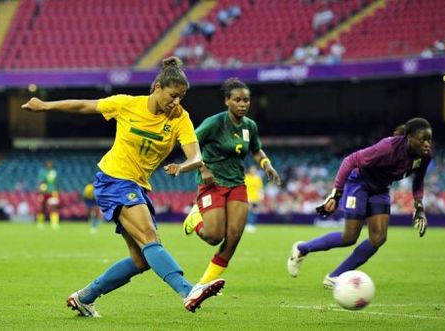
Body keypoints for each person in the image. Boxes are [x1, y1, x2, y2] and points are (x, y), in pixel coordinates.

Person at [21, 56, 225, 316]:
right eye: (173, 96)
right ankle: (188, 290)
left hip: (138, 185)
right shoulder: (127, 104)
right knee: (150, 238)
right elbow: (85, 105)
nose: (176, 103)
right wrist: (45, 106)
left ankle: (85, 297)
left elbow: (195, 155)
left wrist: (185, 166)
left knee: (142, 260)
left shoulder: (180, 118)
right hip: (113, 179)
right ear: (158, 88)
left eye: (181, 97)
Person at [287, 118, 432, 288]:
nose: (427, 144)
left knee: (378, 238)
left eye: (429, 139)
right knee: (349, 237)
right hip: (359, 183)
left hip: (381, 189)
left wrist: (419, 206)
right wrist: (335, 194)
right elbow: (350, 160)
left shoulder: (424, 156)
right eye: (423, 140)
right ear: (409, 138)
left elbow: (418, 181)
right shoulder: (387, 148)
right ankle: (302, 248)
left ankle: (334, 277)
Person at [182, 78, 281, 286]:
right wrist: (203, 168)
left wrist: (266, 165)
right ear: (227, 101)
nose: (243, 104)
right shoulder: (215, 123)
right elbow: (190, 143)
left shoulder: (249, 126)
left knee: (234, 236)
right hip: (212, 183)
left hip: (237, 183)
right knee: (214, 236)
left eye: (246, 100)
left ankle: (203, 284)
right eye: (237, 100)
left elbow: (255, 149)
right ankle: (194, 219)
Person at [36, 160, 60, 229]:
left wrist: (57, 191)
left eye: (51, 163)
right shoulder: (42, 172)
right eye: (49, 163)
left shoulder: (53, 172)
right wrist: (40, 191)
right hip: (44, 192)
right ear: (46, 164)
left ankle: (54, 223)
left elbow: (56, 182)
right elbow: (40, 181)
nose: (50, 165)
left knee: (54, 207)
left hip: (52, 191)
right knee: (42, 207)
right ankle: (40, 223)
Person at [244, 165, 264, 233]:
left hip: (256, 197)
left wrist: (261, 195)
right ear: (249, 170)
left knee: (255, 211)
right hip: (248, 196)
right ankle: (249, 225)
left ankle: (252, 224)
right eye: (252, 169)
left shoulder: (258, 178)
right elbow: (244, 187)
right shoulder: (246, 177)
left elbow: (260, 188)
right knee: (249, 210)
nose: (253, 171)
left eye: (254, 169)